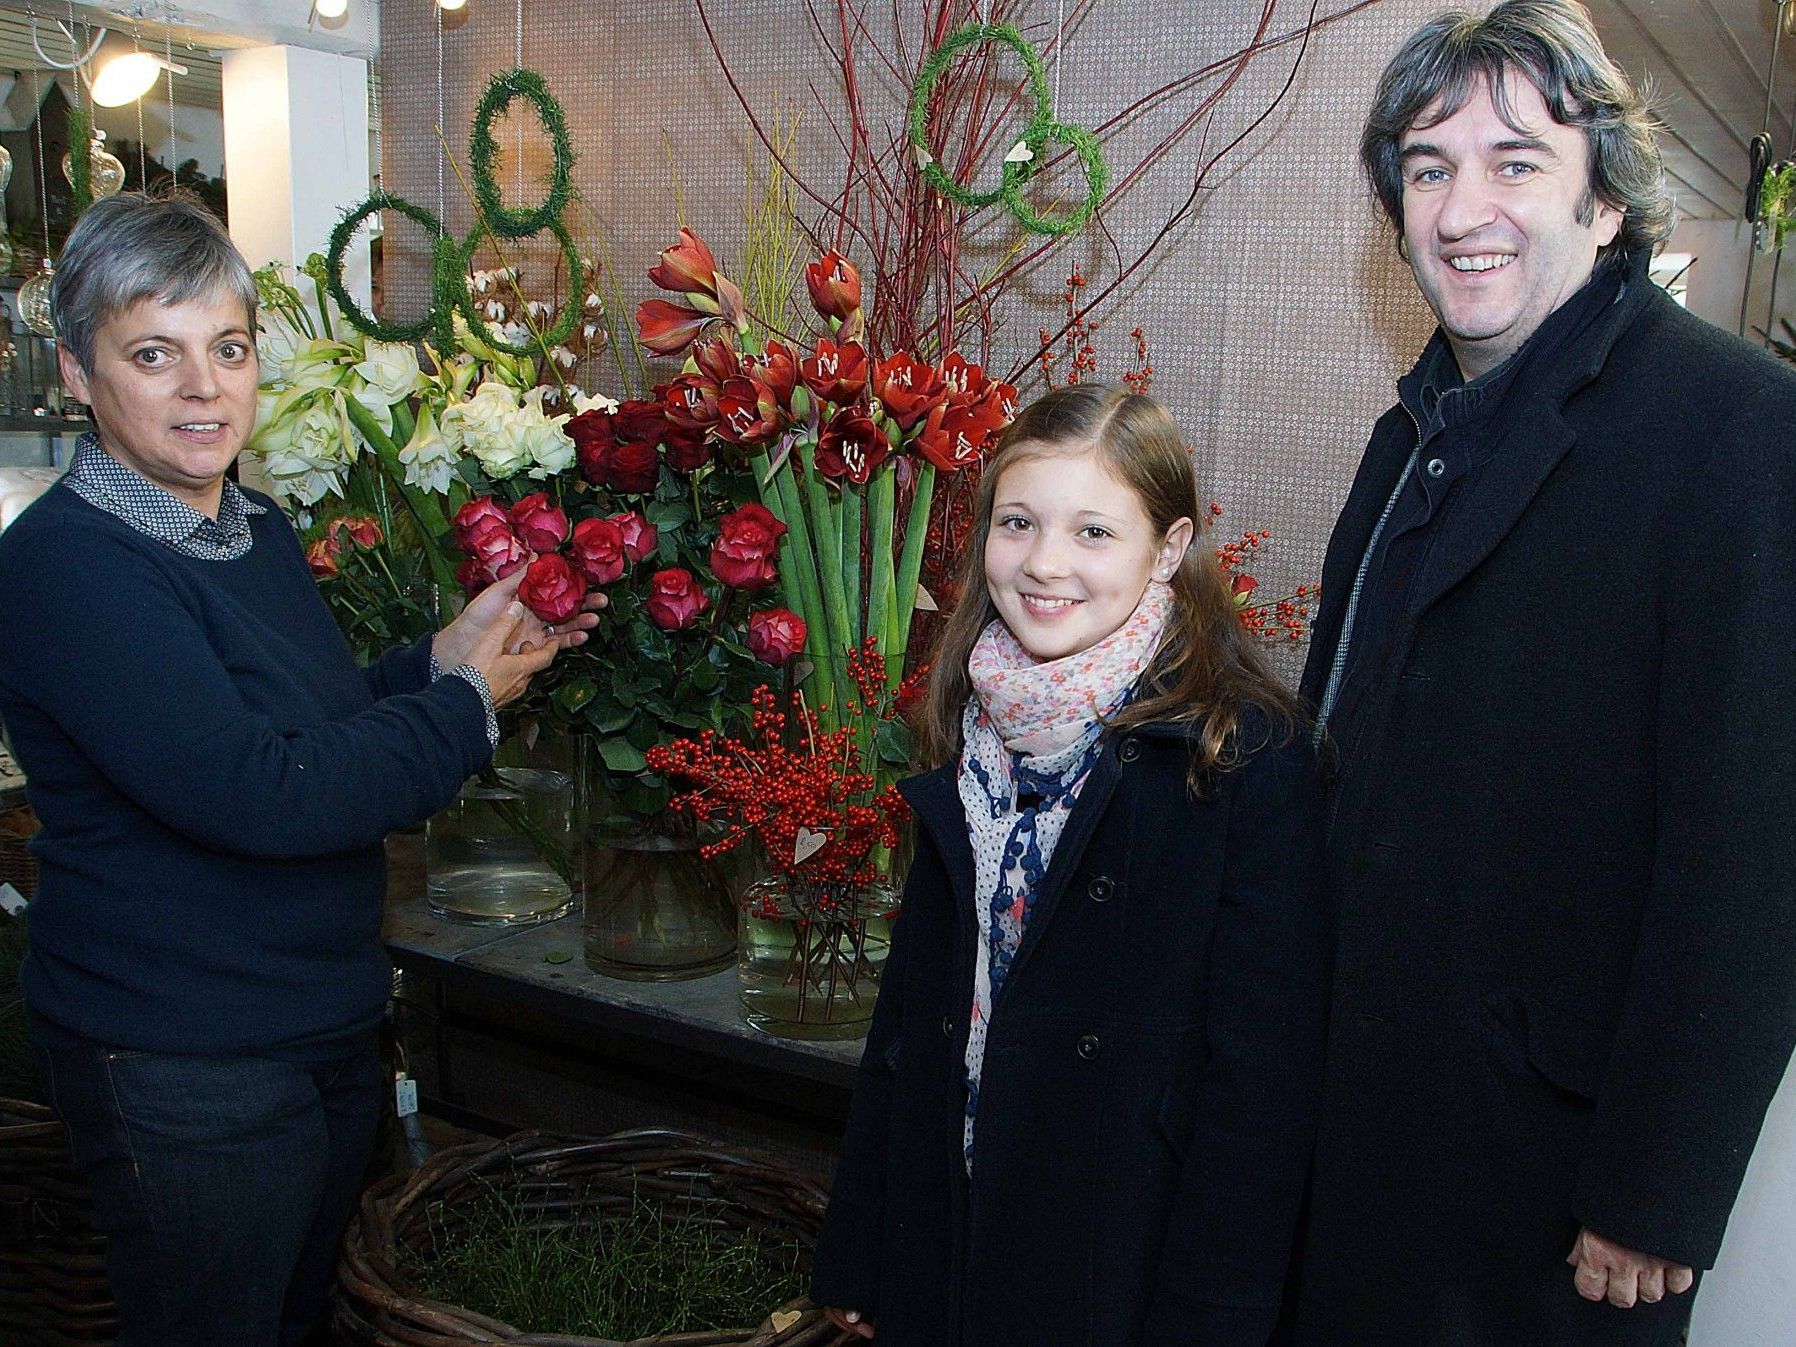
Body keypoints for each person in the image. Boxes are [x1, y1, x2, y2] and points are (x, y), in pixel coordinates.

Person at [0, 191, 598, 1347]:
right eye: (152, 355)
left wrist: (439, 659)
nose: (202, 388)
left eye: (226, 349)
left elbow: (308, 725)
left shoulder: (249, 528)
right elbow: (261, 792)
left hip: (308, 1027)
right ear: (78, 375)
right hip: (186, 1056)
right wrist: (466, 708)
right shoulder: (69, 567)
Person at [1285, 2, 1796, 1342]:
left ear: (1607, 202)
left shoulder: (1741, 428)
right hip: (1363, 1123)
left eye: (1517, 160)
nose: (1465, 207)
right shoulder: (1414, 433)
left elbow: (1752, 842)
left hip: (1555, 1183)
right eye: (1430, 164)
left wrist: (1658, 1184)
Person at [810, 384, 1329, 1345]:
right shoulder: (972, 721)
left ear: (1167, 550)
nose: (1044, 563)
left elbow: (1258, 1101)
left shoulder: (1245, 758)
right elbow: (912, 1016)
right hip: (953, 1228)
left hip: (1120, 1261)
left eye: (1094, 531)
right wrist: (862, 1244)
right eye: (1019, 522)